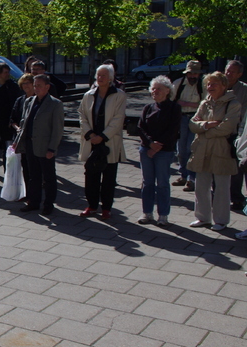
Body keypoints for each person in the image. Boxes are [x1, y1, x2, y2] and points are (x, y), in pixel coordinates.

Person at [187, 71, 241, 231]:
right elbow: (192, 124)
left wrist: (204, 129)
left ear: (224, 86)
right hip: (201, 149)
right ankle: (202, 218)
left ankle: (221, 220)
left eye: (214, 84)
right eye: (209, 84)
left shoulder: (233, 104)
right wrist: (207, 125)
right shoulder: (205, 103)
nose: (210, 87)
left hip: (221, 150)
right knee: (201, 185)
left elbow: (227, 127)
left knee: (222, 187)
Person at [78, 64, 127, 220]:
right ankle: (92, 205)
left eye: (104, 75)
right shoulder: (89, 95)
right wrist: (90, 134)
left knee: (108, 177)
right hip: (91, 141)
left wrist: (103, 136)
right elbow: (82, 115)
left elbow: (118, 119)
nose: (100, 78)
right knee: (90, 175)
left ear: (111, 78)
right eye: (98, 75)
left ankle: (106, 208)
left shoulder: (119, 95)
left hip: (109, 142)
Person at [14, 74, 64, 216]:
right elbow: (24, 123)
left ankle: (48, 204)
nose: (36, 88)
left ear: (47, 87)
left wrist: (52, 148)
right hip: (30, 144)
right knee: (33, 176)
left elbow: (57, 129)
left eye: (39, 86)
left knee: (48, 177)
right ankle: (33, 202)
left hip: (45, 146)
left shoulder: (55, 104)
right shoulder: (29, 101)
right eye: (35, 85)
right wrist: (19, 140)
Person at [137, 76, 182, 227]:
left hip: (164, 150)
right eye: (153, 89)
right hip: (147, 149)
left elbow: (173, 130)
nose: (155, 91)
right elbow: (141, 128)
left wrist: (157, 146)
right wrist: (150, 144)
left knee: (162, 183)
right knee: (147, 183)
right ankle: (147, 212)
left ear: (167, 91)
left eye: (159, 89)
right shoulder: (148, 108)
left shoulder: (175, 108)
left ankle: (163, 215)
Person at [171, 60, 204, 192]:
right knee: (181, 149)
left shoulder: (203, 85)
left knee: (192, 147)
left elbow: (205, 104)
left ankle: (191, 178)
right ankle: (183, 175)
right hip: (181, 118)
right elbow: (172, 101)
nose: (193, 76)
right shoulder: (178, 84)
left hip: (196, 119)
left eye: (195, 74)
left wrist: (185, 103)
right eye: (191, 73)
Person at [225, 59, 247, 210]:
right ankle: (219, 194)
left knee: (236, 167)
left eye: (232, 72)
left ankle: (236, 196)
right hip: (218, 131)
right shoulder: (217, 84)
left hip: (236, 132)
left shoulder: (245, 90)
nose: (228, 74)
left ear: (239, 74)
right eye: (227, 70)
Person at [11, 74, 35, 200]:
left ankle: (36, 193)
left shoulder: (38, 99)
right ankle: (27, 193)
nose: (26, 86)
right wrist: (17, 128)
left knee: (35, 168)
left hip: (35, 139)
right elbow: (13, 119)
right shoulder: (20, 100)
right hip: (22, 138)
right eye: (23, 83)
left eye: (28, 83)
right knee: (25, 166)